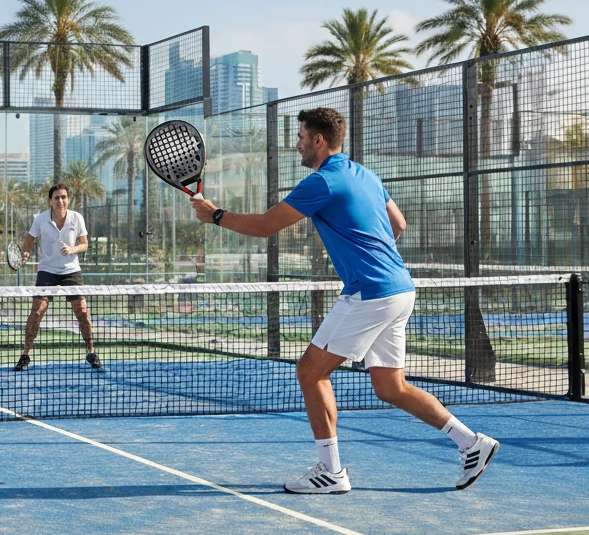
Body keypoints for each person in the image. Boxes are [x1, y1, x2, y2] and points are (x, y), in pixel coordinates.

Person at [190, 107, 498, 494]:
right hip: (400, 288)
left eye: (301, 137)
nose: (297, 144)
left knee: (310, 372)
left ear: (319, 140)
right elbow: (398, 225)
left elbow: (266, 226)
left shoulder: (322, 182)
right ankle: (473, 443)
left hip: (370, 293)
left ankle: (330, 472)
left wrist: (215, 215)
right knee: (390, 388)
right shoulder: (365, 175)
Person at [14, 184, 100, 371]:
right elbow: (29, 239)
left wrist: (72, 249)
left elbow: (84, 244)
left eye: (63, 197)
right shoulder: (41, 219)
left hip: (71, 270)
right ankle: (25, 355)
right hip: (47, 270)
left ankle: (91, 352)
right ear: (50, 200)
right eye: (56, 198)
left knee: (83, 312)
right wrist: (26, 252)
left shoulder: (77, 218)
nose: (60, 201)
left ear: (68, 199)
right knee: (37, 311)